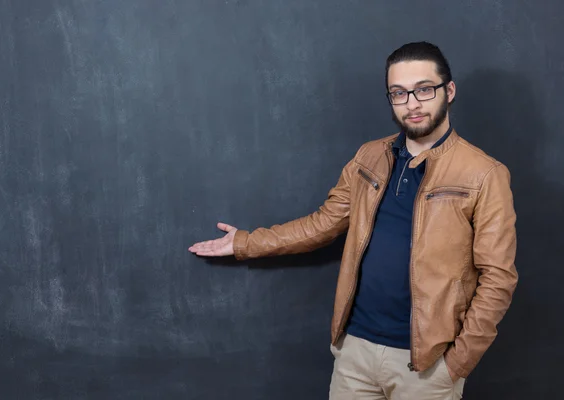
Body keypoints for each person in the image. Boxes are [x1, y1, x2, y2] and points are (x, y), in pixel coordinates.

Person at [188, 41, 518, 400]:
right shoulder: (369, 157)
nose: (412, 103)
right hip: (354, 354)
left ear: (448, 91)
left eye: (424, 89)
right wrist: (244, 242)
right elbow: (322, 224)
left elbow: (498, 277)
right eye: (399, 93)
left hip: (427, 366)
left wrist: (456, 364)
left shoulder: (484, 174)